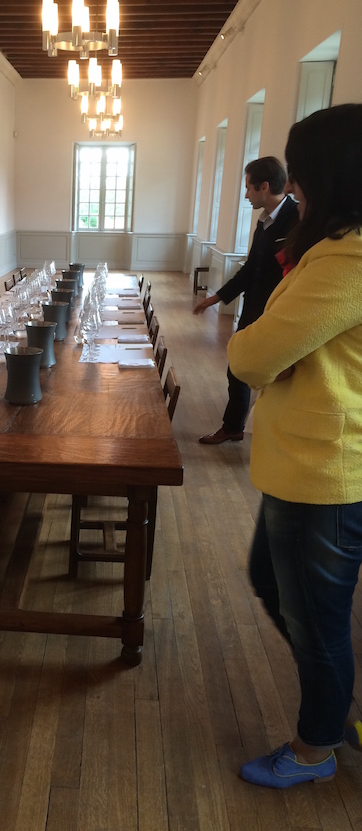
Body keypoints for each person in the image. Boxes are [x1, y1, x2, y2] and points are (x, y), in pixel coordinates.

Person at [227, 103, 362, 788]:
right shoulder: (333, 248)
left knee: (316, 621)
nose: (294, 185)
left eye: (301, 171)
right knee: (275, 585)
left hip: (324, 472)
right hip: (304, 465)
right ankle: (335, 703)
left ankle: (317, 745)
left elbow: (253, 357)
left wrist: (250, 342)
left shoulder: (348, 259)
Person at [194, 157, 299, 445]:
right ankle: (234, 427)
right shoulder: (264, 221)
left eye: (248, 188)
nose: (245, 195)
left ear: (264, 186)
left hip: (279, 313)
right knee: (237, 367)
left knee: (277, 375)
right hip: (254, 309)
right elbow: (251, 269)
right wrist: (215, 298)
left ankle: (267, 434)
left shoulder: (297, 219)